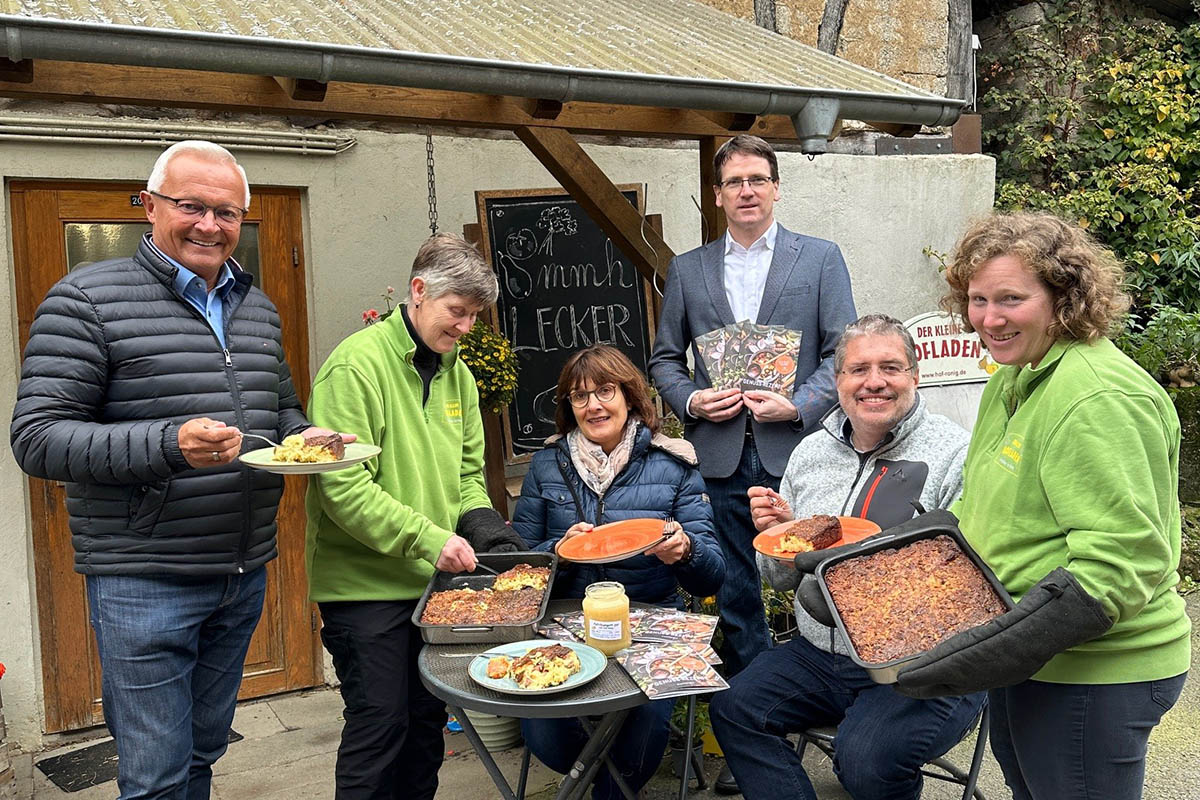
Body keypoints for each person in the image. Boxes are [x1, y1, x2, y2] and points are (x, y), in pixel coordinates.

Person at [9, 141, 345, 800]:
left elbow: (280, 410)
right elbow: (37, 438)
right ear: (151, 205)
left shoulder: (256, 307)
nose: (209, 225)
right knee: (157, 775)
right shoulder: (86, 300)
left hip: (241, 571)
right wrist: (169, 443)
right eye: (192, 206)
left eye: (227, 213)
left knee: (202, 752)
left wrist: (310, 438)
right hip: (144, 579)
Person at [895, 212, 1191, 800]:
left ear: (1064, 297)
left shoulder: (1098, 398)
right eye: (977, 299)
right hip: (1028, 656)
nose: (989, 318)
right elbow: (981, 512)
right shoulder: (1016, 375)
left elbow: (1122, 564)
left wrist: (1008, 643)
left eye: (1011, 298)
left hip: (1096, 671)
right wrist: (873, 562)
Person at [709, 314, 984, 800]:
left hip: (924, 666)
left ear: (914, 376)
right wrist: (778, 536)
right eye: (858, 370)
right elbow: (780, 579)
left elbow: (972, 582)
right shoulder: (810, 453)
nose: (873, 382)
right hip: (824, 653)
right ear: (838, 382)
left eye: (890, 368)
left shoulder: (956, 454)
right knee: (735, 708)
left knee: (865, 760)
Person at [305, 233, 524, 800]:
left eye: (475, 316)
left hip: (433, 586)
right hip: (363, 587)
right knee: (381, 725)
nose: (466, 328)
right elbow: (343, 488)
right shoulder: (355, 367)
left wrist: (490, 535)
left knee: (427, 726)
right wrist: (430, 539)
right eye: (458, 311)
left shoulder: (461, 376)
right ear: (419, 292)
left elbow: (468, 477)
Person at [648, 134, 858, 693]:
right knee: (738, 591)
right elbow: (665, 358)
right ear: (717, 195)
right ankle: (751, 714)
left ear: (776, 189)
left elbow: (843, 351)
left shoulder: (819, 258)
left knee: (820, 574)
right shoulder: (688, 270)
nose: (747, 191)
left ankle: (839, 695)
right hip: (720, 453)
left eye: (757, 179)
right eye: (734, 182)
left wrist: (800, 405)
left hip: (800, 447)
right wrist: (691, 399)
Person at [511, 344, 725, 800]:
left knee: (637, 751)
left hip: (650, 625)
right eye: (579, 396)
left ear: (629, 395)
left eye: (605, 391)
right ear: (568, 407)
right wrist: (559, 551)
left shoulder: (673, 463)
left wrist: (683, 551)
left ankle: (608, 787)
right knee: (545, 739)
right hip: (563, 626)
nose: (593, 405)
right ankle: (597, 777)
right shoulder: (547, 464)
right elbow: (522, 564)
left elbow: (712, 576)